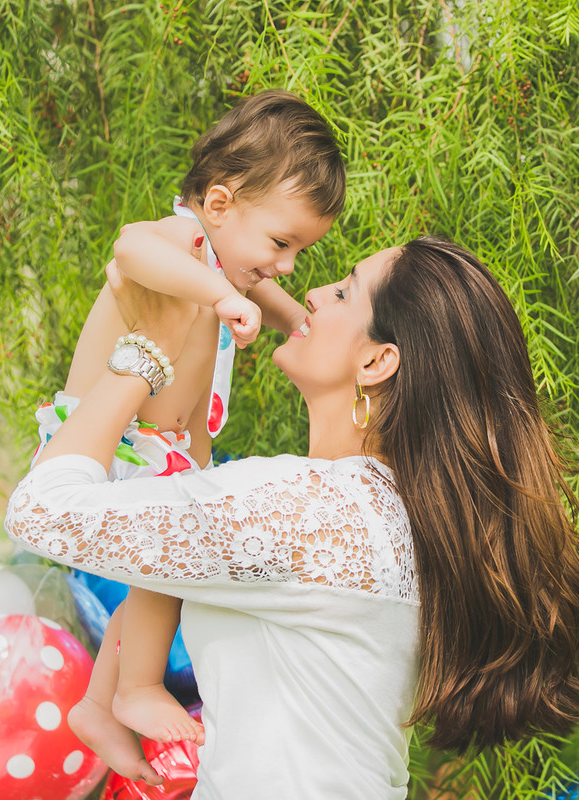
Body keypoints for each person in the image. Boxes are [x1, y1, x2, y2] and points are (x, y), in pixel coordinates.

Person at [5, 235, 579, 797]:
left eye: (343, 292)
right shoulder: (393, 514)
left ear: (377, 362)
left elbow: (42, 511)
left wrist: (147, 350)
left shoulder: (308, 510)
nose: (312, 293)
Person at [30, 90, 345, 760]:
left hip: (167, 450)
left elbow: (264, 291)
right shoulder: (184, 239)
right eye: (282, 243)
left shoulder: (228, 262)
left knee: (164, 574)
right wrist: (222, 294)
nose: (286, 265)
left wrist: (296, 318)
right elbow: (130, 250)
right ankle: (136, 688)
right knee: (166, 576)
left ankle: (98, 705)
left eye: (298, 250)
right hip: (113, 440)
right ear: (220, 203)